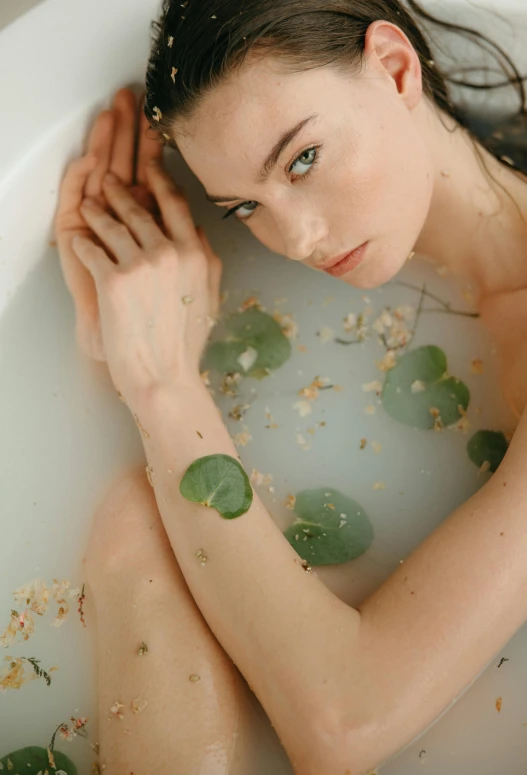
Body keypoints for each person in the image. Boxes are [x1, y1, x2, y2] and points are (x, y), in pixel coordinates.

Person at [54, 1, 527, 772]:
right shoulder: (320, 260)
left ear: (396, 68)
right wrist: (104, 339)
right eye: (245, 206)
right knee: (133, 520)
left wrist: (162, 385)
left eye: (302, 159)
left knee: (134, 525)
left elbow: (347, 722)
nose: (296, 238)